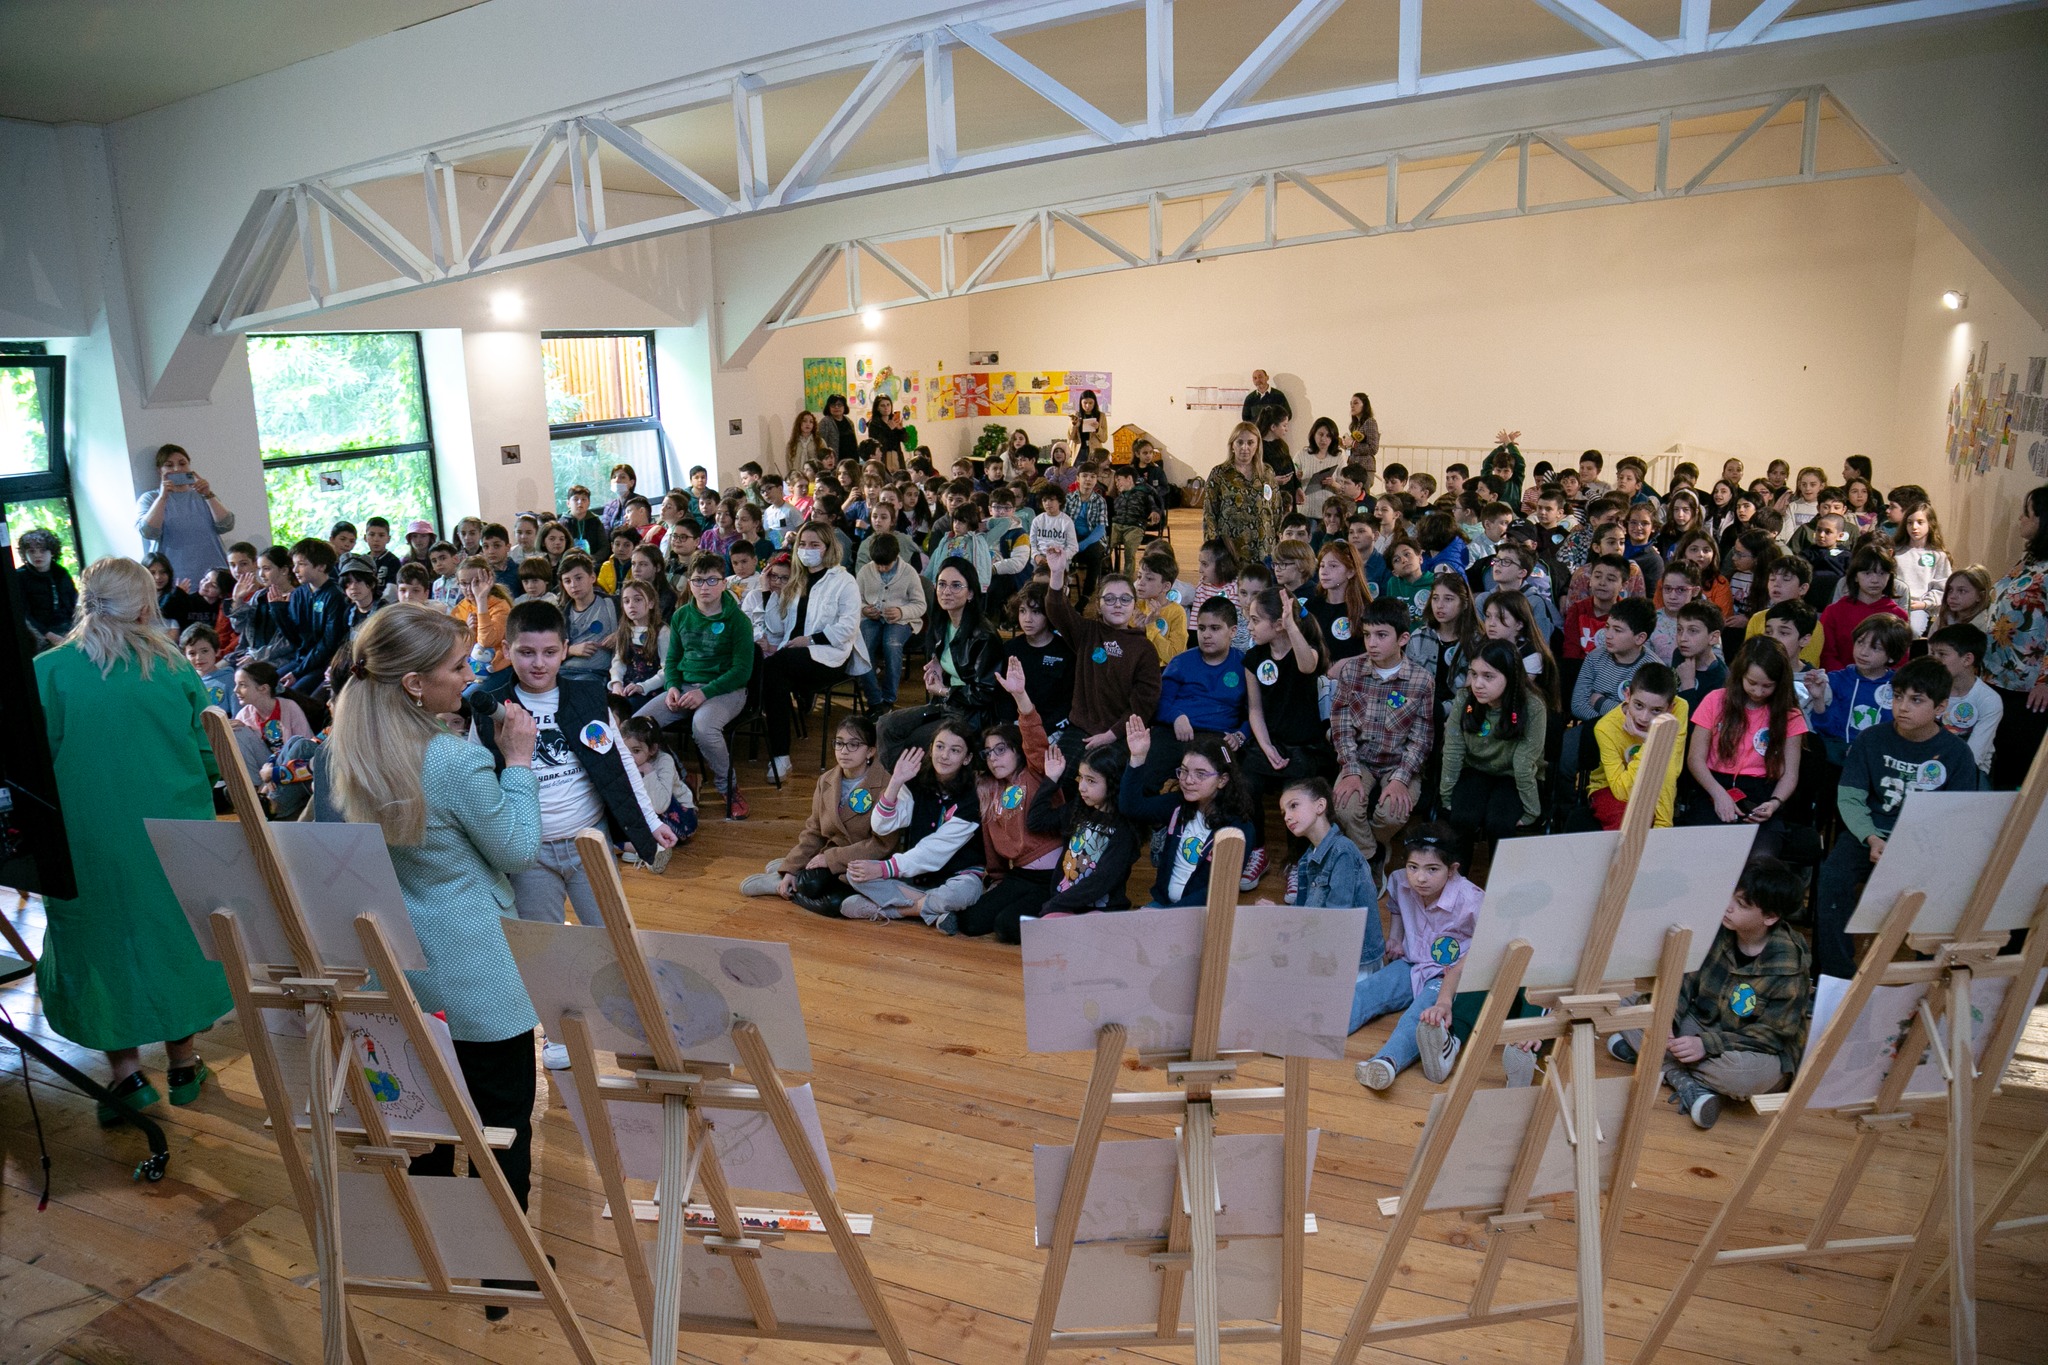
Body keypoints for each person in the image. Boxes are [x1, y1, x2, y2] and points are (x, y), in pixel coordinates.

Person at [324, 605, 548, 1225]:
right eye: (457, 667)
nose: (471, 676)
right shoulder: (450, 761)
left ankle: (440, 1240)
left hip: (404, 960)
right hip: (477, 971)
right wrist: (519, 764)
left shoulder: (356, 749)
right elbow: (517, 850)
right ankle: (501, 1258)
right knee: (501, 1123)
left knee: (428, 1121)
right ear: (414, 684)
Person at [32, 558, 234, 1121]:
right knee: (177, 940)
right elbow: (209, 750)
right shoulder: (172, 667)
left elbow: (31, 764)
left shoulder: (48, 672)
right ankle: (185, 1064)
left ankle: (126, 1078)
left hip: (85, 838)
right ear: (146, 605)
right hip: (174, 833)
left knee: (100, 944)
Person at [471, 600, 672, 948]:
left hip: (589, 842)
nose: (538, 663)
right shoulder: (489, 710)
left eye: (549, 652)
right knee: (542, 947)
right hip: (529, 853)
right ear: (506, 649)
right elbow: (478, 783)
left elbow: (622, 763)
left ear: (565, 649)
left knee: (614, 938)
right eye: (526, 652)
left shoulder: (589, 697)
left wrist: (651, 821)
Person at [1610, 856, 1812, 1130]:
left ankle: (1656, 1061)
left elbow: (1772, 1036)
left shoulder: (1788, 964)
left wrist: (1706, 1045)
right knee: (1627, 1007)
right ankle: (1682, 1079)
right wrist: (1668, 1018)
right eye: (1730, 895)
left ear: (1770, 917)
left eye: (1741, 904)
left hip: (1749, 1049)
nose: (1728, 906)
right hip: (1703, 1023)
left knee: (1742, 1077)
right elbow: (1684, 983)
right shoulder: (1718, 930)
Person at [1814, 657, 1981, 977]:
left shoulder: (1957, 753)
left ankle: (1926, 977)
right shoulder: (1871, 739)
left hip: (1925, 845)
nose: (1902, 707)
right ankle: (1836, 976)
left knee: (1946, 888)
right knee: (1833, 877)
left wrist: (1916, 849)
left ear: (1940, 707)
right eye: (1898, 696)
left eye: (1916, 700)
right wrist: (1871, 837)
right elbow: (1850, 797)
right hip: (1870, 834)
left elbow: (1958, 817)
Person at [1352, 823, 1482, 1091]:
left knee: (1421, 1016)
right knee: (1367, 990)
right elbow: (1397, 908)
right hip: (1410, 962)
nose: (1420, 878)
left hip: (1445, 973)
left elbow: (1485, 944)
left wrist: (1450, 989)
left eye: (1432, 869)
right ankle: (1314, 1030)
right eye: (1413, 867)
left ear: (1452, 870)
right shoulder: (1400, 880)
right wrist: (1395, 938)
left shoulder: (1471, 899)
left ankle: (1386, 1062)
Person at [633, 553, 755, 817]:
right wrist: (673, 686)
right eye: (698, 580)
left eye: (712, 580)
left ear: (724, 583)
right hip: (686, 687)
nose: (704, 587)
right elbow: (672, 661)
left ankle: (728, 787)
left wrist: (705, 693)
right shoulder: (681, 616)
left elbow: (742, 672)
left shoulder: (739, 621)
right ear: (689, 584)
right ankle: (679, 776)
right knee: (638, 727)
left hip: (725, 690)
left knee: (703, 727)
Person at [742, 714, 897, 916]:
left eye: (854, 745)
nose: (844, 751)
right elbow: (814, 831)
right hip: (832, 858)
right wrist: (791, 868)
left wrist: (830, 858)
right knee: (810, 885)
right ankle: (785, 877)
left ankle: (795, 881)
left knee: (834, 903)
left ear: (870, 751)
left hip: (866, 861)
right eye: (839, 743)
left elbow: (882, 844)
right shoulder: (826, 780)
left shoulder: (887, 784)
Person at [958, 660, 1064, 938]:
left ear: (1017, 751)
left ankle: (1067, 910)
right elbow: (991, 842)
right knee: (972, 923)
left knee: (1006, 927)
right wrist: (997, 879)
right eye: (988, 753)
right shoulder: (989, 791)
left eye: (1001, 749)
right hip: (1020, 875)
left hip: (1053, 874)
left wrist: (1020, 696)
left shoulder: (1037, 772)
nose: (993, 758)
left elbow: (1035, 739)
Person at [758, 521, 867, 783]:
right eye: (803, 544)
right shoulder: (796, 579)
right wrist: (767, 591)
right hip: (790, 655)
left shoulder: (844, 581)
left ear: (828, 547)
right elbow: (777, 627)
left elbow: (848, 627)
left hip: (828, 655)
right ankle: (780, 755)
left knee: (772, 670)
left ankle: (779, 754)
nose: (807, 549)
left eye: (814, 544)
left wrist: (809, 640)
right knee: (771, 673)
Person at [844, 728, 986, 927]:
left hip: (959, 877)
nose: (944, 755)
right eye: (940, 747)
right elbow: (881, 826)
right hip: (918, 879)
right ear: (931, 748)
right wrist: (896, 781)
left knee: (957, 895)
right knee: (855, 875)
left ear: (967, 758)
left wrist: (883, 869)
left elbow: (933, 851)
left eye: (955, 750)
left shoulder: (973, 797)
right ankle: (934, 909)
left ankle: (891, 910)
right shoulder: (916, 782)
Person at [1329, 598, 1435, 861]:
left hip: (1399, 764)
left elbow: (1421, 740)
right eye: (1367, 635)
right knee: (1345, 807)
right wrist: (1351, 769)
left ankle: (1370, 846)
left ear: (1403, 638)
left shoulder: (1421, 680)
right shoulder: (1352, 671)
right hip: (1360, 759)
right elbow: (1341, 726)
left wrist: (1401, 778)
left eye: (1381, 635)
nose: (1372, 643)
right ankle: (1372, 856)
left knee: (1393, 813)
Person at [1121, 718, 1261, 907]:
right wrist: (1137, 758)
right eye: (1184, 771)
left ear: (1222, 780)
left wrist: (1171, 916)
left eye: (1200, 774)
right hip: (1162, 905)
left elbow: (1218, 890)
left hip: (1200, 914)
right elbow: (1131, 807)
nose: (1188, 780)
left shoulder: (1239, 829)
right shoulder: (1176, 805)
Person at [1683, 639, 1805, 856]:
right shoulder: (1715, 701)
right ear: (1740, 675)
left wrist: (1774, 803)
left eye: (1767, 686)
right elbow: (1695, 759)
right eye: (1752, 683)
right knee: (1702, 855)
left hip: (1762, 793)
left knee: (1760, 858)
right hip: (1713, 786)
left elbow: (1790, 774)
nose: (1758, 691)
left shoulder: (1790, 715)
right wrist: (1719, 795)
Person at [1042, 545, 1163, 762]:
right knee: (1058, 776)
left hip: (1120, 734)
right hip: (1080, 728)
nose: (1117, 605)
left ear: (1134, 605)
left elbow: (1143, 703)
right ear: (1098, 605)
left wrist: (1111, 735)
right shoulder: (1087, 632)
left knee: (1103, 777)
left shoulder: (1144, 648)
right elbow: (1056, 609)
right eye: (1109, 599)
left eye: (1125, 599)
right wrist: (1057, 572)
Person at [878, 558, 1001, 764]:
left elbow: (985, 692)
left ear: (971, 593)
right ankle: (906, 781)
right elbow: (951, 655)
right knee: (886, 725)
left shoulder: (984, 636)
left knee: (916, 742)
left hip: (971, 714)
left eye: (956, 585)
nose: (946, 591)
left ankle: (916, 780)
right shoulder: (943, 623)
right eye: (942, 584)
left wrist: (944, 691)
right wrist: (938, 662)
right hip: (946, 705)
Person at [1440, 640, 1547, 843]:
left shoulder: (1533, 707)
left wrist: (1532, 811)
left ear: (1511, 676)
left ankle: (1499, 866)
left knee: (1500, 824)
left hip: (1513, 776)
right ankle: (1459, 865)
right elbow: (1453, 750)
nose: (1477, 684)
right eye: (1474, 674)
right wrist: (1447, 797)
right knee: (1461, 819)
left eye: (1488, 676)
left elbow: (1523, 764)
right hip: (1475, 769)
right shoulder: (1464, 699)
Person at [1984, 484, 2048, 789]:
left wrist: (2045, 681)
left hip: (2028, 688)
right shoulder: (2030, 560)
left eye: (2027, 513)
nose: (2020, 519)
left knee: (2015, 768)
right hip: (1997, 675)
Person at [1587, 662, 1687, 829]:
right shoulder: (1605, 728)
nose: (1644, 717)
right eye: (1638, 705)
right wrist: (1652, 742)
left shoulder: (1680, 709)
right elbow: (1621, 790)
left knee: (1653, 820)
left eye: (1656, 710)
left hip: (1654, 783)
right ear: (1627, 695)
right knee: (1631, 822)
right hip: (1610, 787)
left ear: (1670, 708)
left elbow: (1670, 769)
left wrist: (1663, 824)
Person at [135, 443, 235, 583]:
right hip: (174, 580)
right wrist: (163, 497)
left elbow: (227, 525)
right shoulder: (150, 498)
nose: (177, 469)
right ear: (159, 470)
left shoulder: (203, 495)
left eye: (182, 464)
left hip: (214, 579)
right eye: (169, 465)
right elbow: (148, 532)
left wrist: (208, 494)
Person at [856, 533, 925, 710]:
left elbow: (920, 605)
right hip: (871, 619)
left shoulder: (908, 572)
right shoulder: (865, 571)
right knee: (863, 647)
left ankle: (888, 698)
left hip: (901, 620)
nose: (881, 568)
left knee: (892, 644)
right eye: (877, 564)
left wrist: (901, 611)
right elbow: (855, 601)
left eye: (886, 565)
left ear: (896, 557)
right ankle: (874, 699)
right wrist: (864, 609)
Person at [1817, 543, 1908, 671]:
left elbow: (1900, 660)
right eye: (1867, 573)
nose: (1875, 580)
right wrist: (1846, 678)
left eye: (1882, 573)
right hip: (1839, 679)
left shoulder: (1898, 616)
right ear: (1855, 576)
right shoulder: (1834, 611)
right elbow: (1826, 655)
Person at [1927, 623, 2003, 775]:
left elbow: (1974, 756)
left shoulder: (1988, 699)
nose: (1934, 660)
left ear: (1967, 659)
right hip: (1927, 765)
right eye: (1933, 653)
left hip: (1969, 770)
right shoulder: (1927, 688)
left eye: (1942, 654)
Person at [1204, 422, 1276, 566]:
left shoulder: (1267, 473)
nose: (1245, 447)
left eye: (1250, 443)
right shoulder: (1219, 473)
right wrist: (1211, 548)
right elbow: (1209, 514)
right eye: (1240, 442)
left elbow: (1275, 509)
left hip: (1263, 549)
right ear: (1232, 445)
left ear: (1257, 445)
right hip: (1230, 549)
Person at [18, 527, 77, 650]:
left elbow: (74, 603)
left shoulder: (61, 573)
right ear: (25, 554)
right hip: (39, 633)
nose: (37, 555)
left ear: (52, 552)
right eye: (31, 551)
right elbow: (24, 614)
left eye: (43, 550)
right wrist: (49, 636)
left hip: (68, 626)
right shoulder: (20, 577)